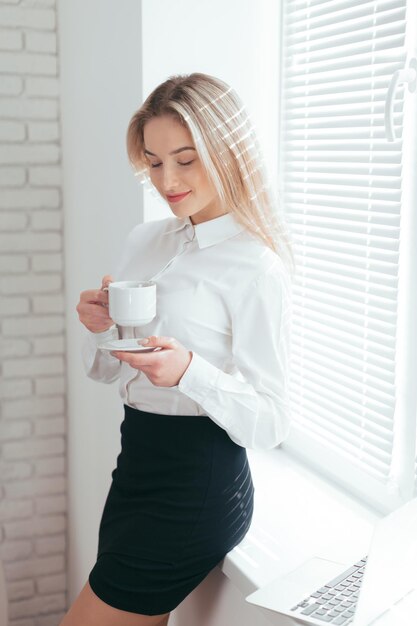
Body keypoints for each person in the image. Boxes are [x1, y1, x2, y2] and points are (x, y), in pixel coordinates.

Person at [61, 72, 295, 626]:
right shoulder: (145, 239)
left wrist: (190, 371)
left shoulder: (255, 266)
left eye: (186, 159)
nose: (167, 179)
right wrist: (100, 328)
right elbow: (104, 372)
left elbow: (272, 421)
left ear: (226, 151)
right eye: (154, 160)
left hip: (198, 480)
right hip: (135, 464)